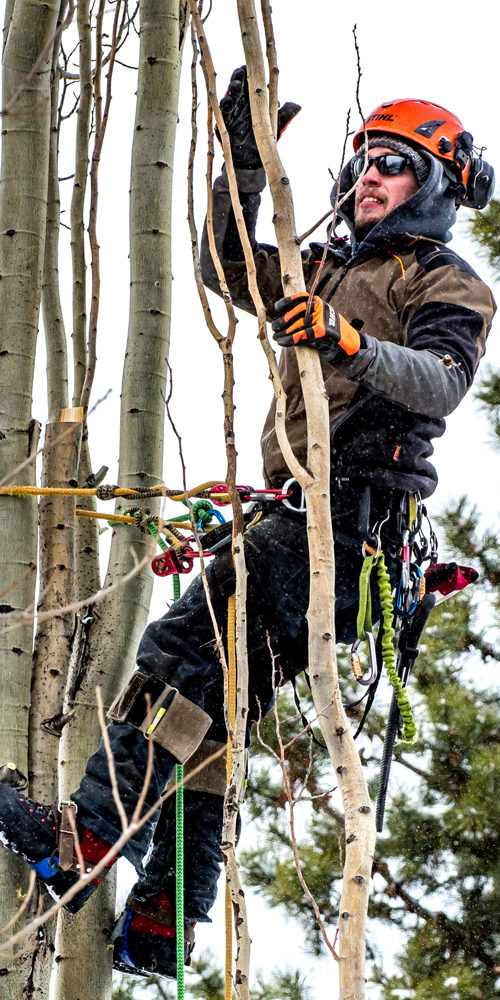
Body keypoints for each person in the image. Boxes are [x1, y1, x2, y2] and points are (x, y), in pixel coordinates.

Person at [0, 70, 496, 980]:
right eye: (362, 162)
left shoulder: (444, 282)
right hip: (296, 519)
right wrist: (240, 160)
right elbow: (226, 265)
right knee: (209, 714)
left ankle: (86, 837)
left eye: (391, 165)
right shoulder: (327, 268)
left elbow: (441, 381)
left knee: (175, 653)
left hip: (352, 523)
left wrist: (349, 344)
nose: (368, 177)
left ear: (434, 185)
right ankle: (164, 915)